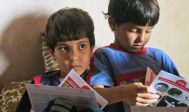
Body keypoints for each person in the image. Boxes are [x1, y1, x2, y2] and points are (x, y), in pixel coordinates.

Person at [16, 7, 159, 112]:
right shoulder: (38, 84)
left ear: (91, 49)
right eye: (64, 48)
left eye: (82, 46)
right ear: (52, 53)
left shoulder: (105, 86)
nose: (73, 57)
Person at [89, 0, 180, 111]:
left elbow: (183, 92)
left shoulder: (159, 57)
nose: (141, 38)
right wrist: (123, 93)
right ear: (113, 24)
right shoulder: (104, 56)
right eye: (134, 30)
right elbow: (95, 97)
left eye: (148, 31)